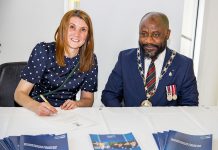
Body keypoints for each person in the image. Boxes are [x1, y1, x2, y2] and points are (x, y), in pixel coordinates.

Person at [101, 12, 198, 107]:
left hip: (166, 122)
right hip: (130, 121)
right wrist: (124, 117)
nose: (148, 40)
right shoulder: (125, 58)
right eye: (144, 34)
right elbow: (109, 95)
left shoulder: (184, 65)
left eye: (155, 35)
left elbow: (190, 105)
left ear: (167, 34)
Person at [14, 9, 98, 116]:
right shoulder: (43, 51)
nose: (77, 34)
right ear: (63, 29)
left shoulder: (90, 59)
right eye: (72, 27)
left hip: (67, 115)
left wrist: (78, 104)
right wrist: (36, 107)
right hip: (37, 110)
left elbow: (88, 99)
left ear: (88, 35)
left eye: (83, 29)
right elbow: (19, 94)